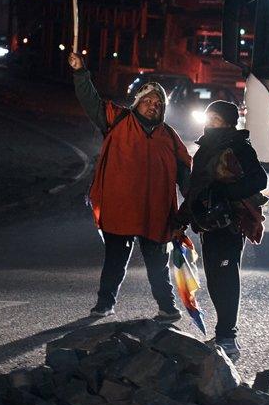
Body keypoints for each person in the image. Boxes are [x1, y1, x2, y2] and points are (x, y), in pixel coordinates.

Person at [69, 52, 192, 320]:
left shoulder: (170, 136)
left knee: (158, 264)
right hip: (120, 207)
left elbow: (185, 173)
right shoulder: (117, 120)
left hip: (156, 213)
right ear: (136, 103)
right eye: (146, 101)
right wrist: (81, 73)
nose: (152, 106)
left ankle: (167, 307)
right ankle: (104, 304)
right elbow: (91, 102)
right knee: (114, 260)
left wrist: (191, 207)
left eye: (158, 103)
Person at [173, 100, 267, 362]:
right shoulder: (206, 147)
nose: (211, 123)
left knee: (226, 276)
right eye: (209, 118)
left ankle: (228, 337)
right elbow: (197, 188)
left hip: (230, 223)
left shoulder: (238, 146)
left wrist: (224, 194)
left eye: (216, 120)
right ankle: (223, 333)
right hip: (209, 224)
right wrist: (181, 218)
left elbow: (260, 179)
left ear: (228, 122)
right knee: (215, 277)